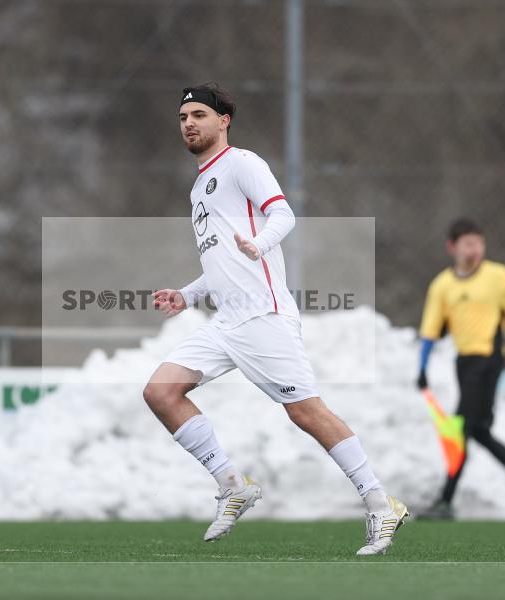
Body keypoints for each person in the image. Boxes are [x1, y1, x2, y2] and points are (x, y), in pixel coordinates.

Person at [143, 83, 408, 556]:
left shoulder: (243, 163)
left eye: (199, 114)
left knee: (305, 411)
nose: (189, 124)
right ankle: (232, 485)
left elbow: (283, 215)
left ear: (223, 120)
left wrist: (259, 244)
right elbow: (219, 261)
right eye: (183, 117)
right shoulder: (199, 187)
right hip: (227, 321)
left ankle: (379, 502)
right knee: (161, 392)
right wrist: (187, 295)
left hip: (263, 314)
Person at [416, 218, 505, 521]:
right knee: (479, 432)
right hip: (464, 363)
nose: (475, 249)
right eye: (468, 243)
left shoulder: (498, 277)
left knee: (460, 429)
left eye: (479, 243)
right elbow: (430, 331)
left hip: (488, 360)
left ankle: (445, 501)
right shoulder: (442, 285)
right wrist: (422, 367)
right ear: (452, 247)